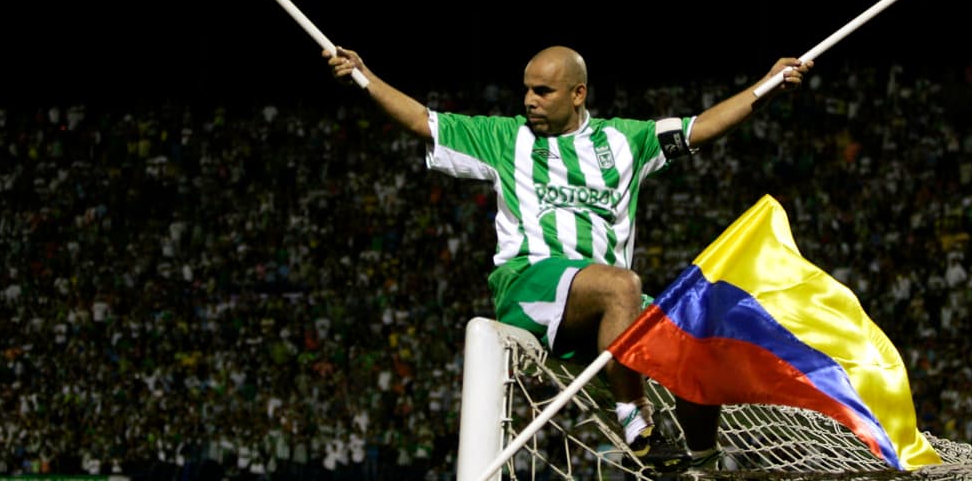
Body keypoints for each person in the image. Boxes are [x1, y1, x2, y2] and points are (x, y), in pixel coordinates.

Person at [324, 44, 813, 470]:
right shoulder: (503, 138)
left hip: (602, 310)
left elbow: (700, 127)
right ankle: (635, 423)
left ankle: (703, 461)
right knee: (622, 284)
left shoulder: (626, 140)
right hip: (528, 286)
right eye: (527, 90)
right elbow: (421, 120)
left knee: (693, 332)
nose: (529, 101)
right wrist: (364, 77)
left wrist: (765, 86)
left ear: (578, 94)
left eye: (543, 91)